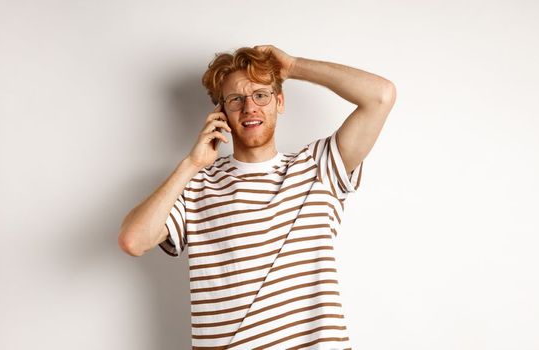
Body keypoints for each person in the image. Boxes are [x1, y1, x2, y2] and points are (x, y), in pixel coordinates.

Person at [118, 44, 396, 349]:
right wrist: (192, 164)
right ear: (220, 112)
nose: (250, 108)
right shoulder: (197, 185)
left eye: (261, 95)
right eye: (236, 99)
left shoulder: (318, 167)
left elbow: (380, 95)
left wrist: (292, 66)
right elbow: (133, 240)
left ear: (279, 101)